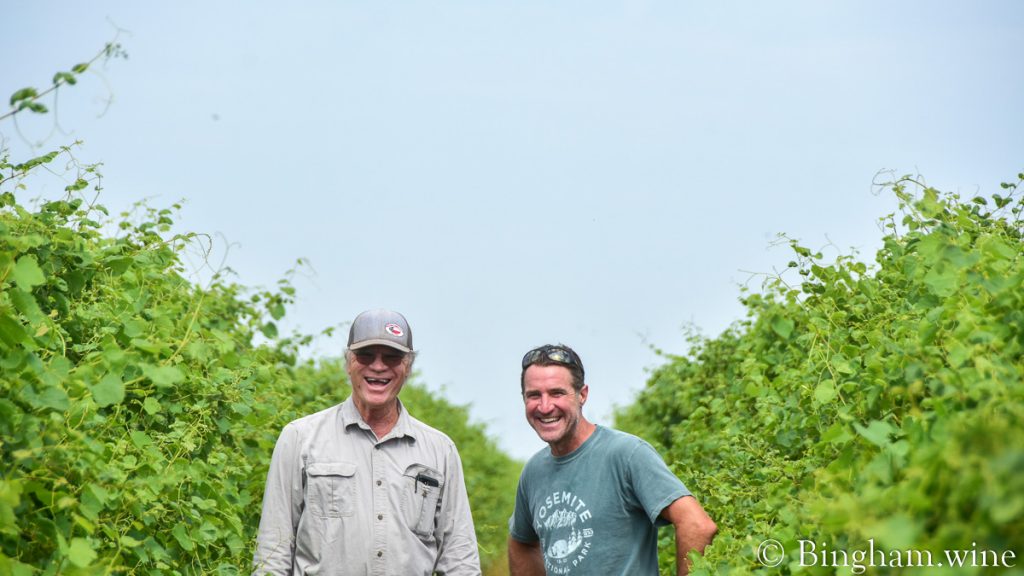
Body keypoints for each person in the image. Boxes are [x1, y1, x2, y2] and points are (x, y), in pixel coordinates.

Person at [253, 309, 481, 575]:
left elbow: (459, 559)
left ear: (408, 367)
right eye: (366, 355)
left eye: (392, 357)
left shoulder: (440, 450)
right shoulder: (300, 438)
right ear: (349, 362)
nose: (378, 366)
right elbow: (273, 550)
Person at [508, 344, 717, 576]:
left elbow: (697, 525)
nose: (545, 406)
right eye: (534, 395)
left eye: (557, 393)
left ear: (582, 395)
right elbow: (522, 542)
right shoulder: (534, 472)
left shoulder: (626, 454)